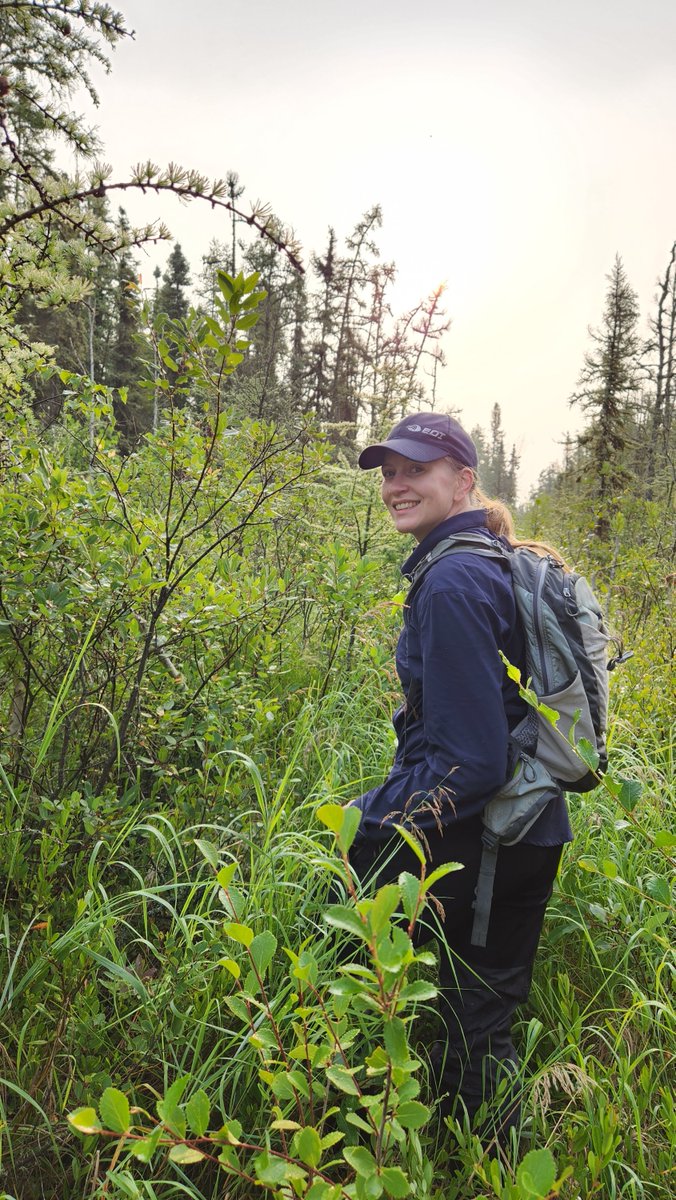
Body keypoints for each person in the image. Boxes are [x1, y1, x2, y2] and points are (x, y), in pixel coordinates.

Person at [350, 411, 572, 1136]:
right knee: (477, 1019)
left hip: (490, 841)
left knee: (472, 1033)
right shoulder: (486, 560)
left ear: (464, 480)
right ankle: (464, 1159)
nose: (396, 485)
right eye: (388, 472)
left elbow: (471, 761)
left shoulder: (452, 581)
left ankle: (485, 1165)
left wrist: (371, 823)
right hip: (525, 829)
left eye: (415, 469)